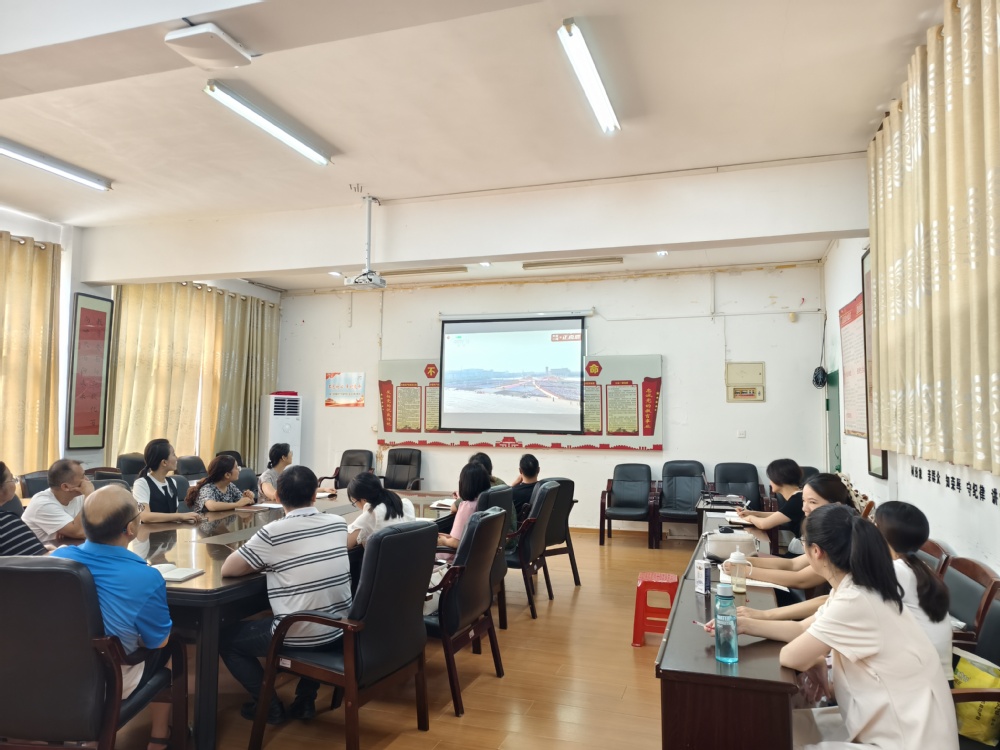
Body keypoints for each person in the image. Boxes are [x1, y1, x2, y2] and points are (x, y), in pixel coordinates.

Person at [778, 504, 958, 749]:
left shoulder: (857, 597)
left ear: (816, 551)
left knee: (779, 730)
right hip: (897, 720)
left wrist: (814, 659)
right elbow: (802, 640)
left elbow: (790, 656)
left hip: (909, 738)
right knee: (785, 724)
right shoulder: (861, 586)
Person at [219, 465, 352, 725]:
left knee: (225, 640)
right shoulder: (338, 524)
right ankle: (305, 700)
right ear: (314, 495)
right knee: (315, 603)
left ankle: (268, 706)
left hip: (299, 633)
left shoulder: (272, 533)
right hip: (341, 629)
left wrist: (266, 560)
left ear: (278, 497)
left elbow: (229, 569)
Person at [51, 486, 174, 750]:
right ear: (131, 528)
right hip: (110, 680)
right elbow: (159, 642)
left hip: (54, 672)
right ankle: (159, 738)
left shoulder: (57, 559)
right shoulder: (146, 577)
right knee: (171, 648)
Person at [730, 473, 857, 593]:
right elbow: (792, 564)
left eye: (813, 502)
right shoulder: (826, 529)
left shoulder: (839, 536)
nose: (804, 508)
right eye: (803, 501)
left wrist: (744, 571)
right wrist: (744, 560)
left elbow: (800, 579)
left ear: (836, 505)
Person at [874, 501, 952, 683]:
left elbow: (850, 605)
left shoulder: (897, 571)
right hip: (927, 675)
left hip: (925, 683)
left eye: (873, 524)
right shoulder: (916, 566)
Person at [22, 458, 92, 544]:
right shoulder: (43, 504)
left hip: (66, 547)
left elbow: (102, 524)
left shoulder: (79, 496)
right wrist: (89, 496)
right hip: (40, 551)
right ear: (66, 487)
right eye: (83, 477)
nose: (87, 480)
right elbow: (79, 532)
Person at [737, 459, 804, 546]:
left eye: (771, 479)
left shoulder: (796, 501)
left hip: (805, 548)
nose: (770, 483)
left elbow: (763, 524)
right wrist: (752, 513)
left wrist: (749, 518)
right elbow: (779, 515)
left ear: (779, 479)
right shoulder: (798, 496)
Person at [133, 439, 200, 523]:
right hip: (150, 531)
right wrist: (180, 516)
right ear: (164, 462)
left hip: (171, 530)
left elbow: (174, 515)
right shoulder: (141, 484)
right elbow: (144, 516)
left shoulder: (172, 482)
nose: (176, 458)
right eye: (173, 454)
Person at [345, 472, 416, 548]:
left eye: (354, 501)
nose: (356, 505)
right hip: (410, 553)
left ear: (364, 500)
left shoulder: (372, 514)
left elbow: (345, 544)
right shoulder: (405, 504)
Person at [437, 462, 491, 561]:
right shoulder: (486, 501)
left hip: (456, 556)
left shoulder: (467, 507)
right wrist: (447, 537)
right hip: (477, 555)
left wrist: (443, 541)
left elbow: (457, 543)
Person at [0, 462, 47, 556]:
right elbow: (41, 559)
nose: (14, 483)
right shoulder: (7, 522)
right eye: (12, 479)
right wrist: (60, 550)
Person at [184, 454, 255, 512]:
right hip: (207, 523)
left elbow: (242, 501)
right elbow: (212, 506)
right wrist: (237, 504)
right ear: (227, 475)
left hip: (223, 522)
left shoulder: (230, 486)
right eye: (236, 468)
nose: (239, 470)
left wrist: (248, 498)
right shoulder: (207, 488)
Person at [509, 453, 540, 518]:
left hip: (522, 524)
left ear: (520, 471)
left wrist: (513, 485)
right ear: (538, 470)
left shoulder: (514, 492)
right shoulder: (545, 489)